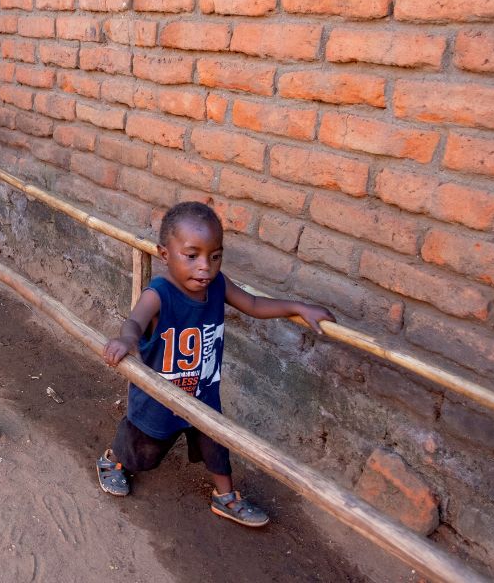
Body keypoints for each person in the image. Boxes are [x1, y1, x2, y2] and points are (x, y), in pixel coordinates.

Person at [98, 201, 334, 527]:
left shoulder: (218, 284)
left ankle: (225, 497)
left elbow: (252, 303)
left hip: (203, 393)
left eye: (215, 256)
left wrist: (298, 308)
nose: (205, 267)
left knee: (215, 444)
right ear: (164, 254)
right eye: (191, 256)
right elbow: (134, 323)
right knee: (144, 448)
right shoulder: (160, 294)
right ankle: (115, 461)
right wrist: (125, 341)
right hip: (160, 398)